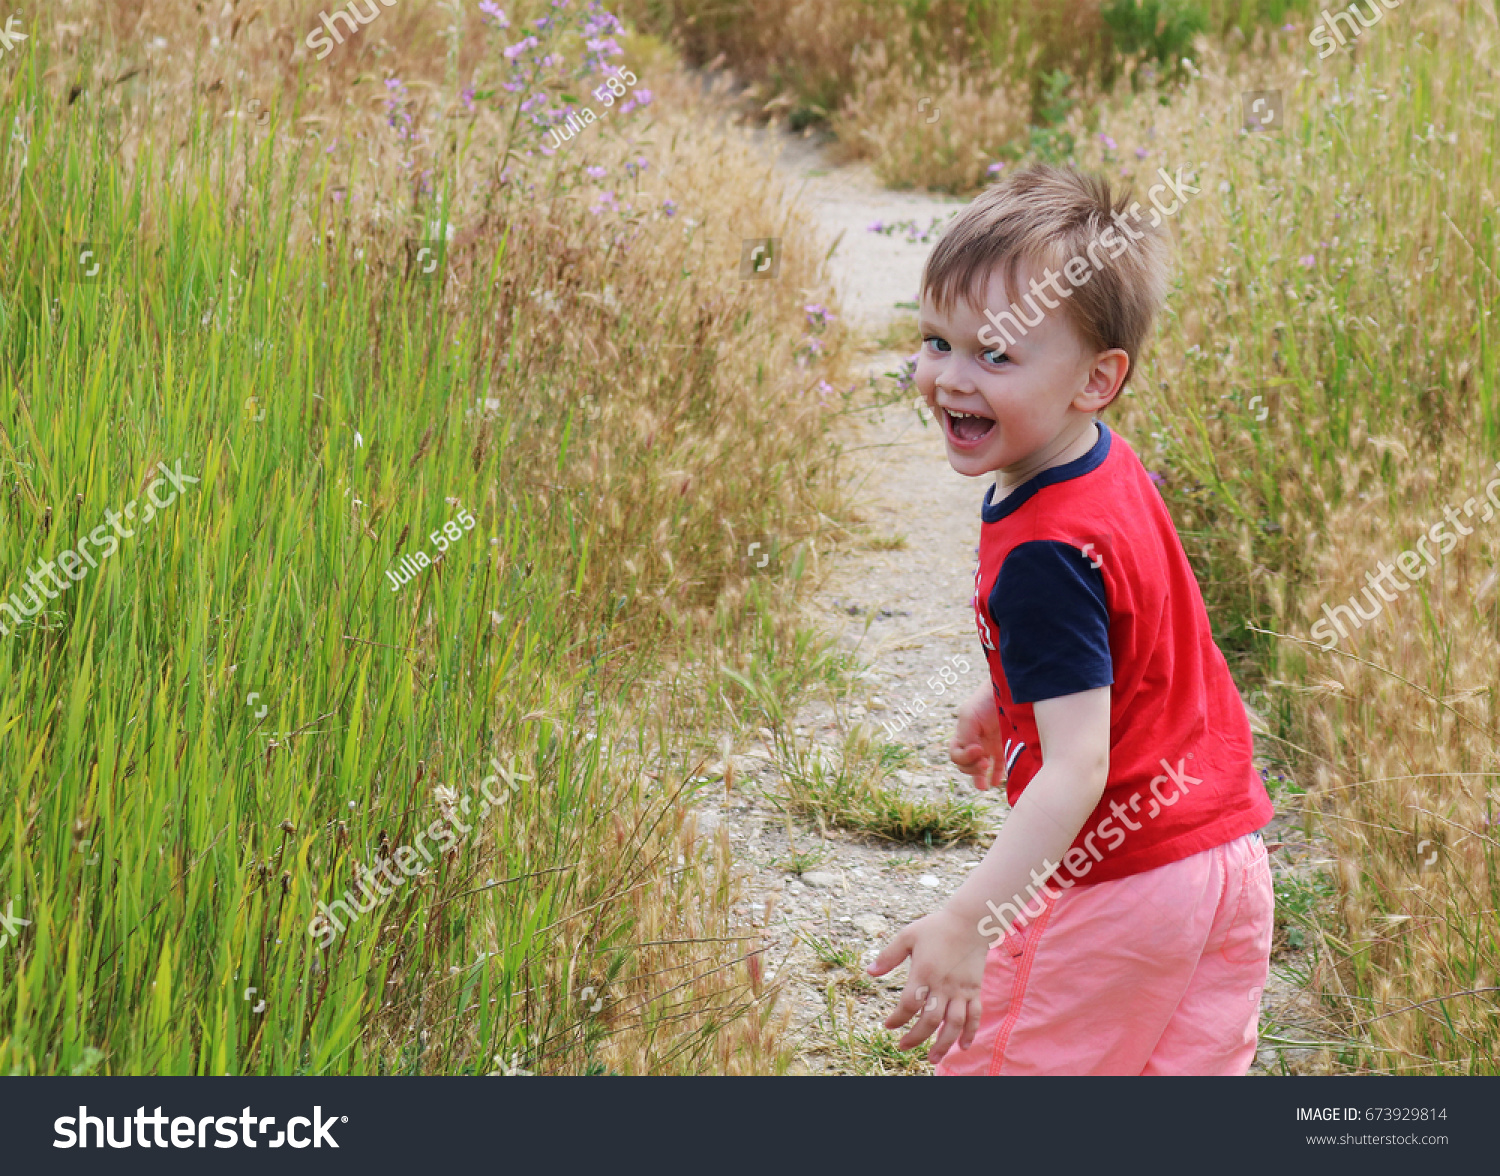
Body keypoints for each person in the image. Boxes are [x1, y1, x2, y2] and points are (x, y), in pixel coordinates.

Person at [868, 163, 1275, 1075]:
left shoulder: (1042, 549)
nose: (950, 379)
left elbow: (1079, 767)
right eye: (937, 340)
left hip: (1114, 884)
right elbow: (1129, 632)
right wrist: (1007, 686)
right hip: (1223, 863)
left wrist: (968, 921)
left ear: (1097, 379)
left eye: (997, 355)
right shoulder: (1103, 463)